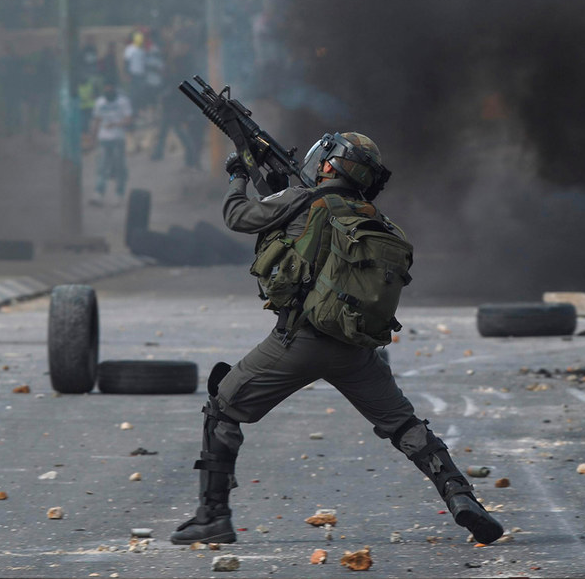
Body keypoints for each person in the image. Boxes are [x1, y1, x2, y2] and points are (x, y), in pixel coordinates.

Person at [169, 132, 504, 546]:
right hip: (357, 350)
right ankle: (461, 497)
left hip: (298, 342)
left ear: (328, 164)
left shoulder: (302, 199)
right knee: (404, 425)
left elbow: (239, 216)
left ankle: (212, 516)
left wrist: (238, 173)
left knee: (223, 408)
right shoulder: (377, 220)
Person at [88, 81, 132, 206]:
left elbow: (128, 119)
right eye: (106, 88)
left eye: (110, 88)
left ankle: (119, 194)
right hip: (104, 139)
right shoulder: (100, 102)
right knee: (102, 167)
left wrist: (116, 124)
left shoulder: (123, 101)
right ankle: (98, 193)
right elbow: (96, 120)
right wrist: (93, 137)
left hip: (118, 138)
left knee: (119, 167)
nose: (108, 90)